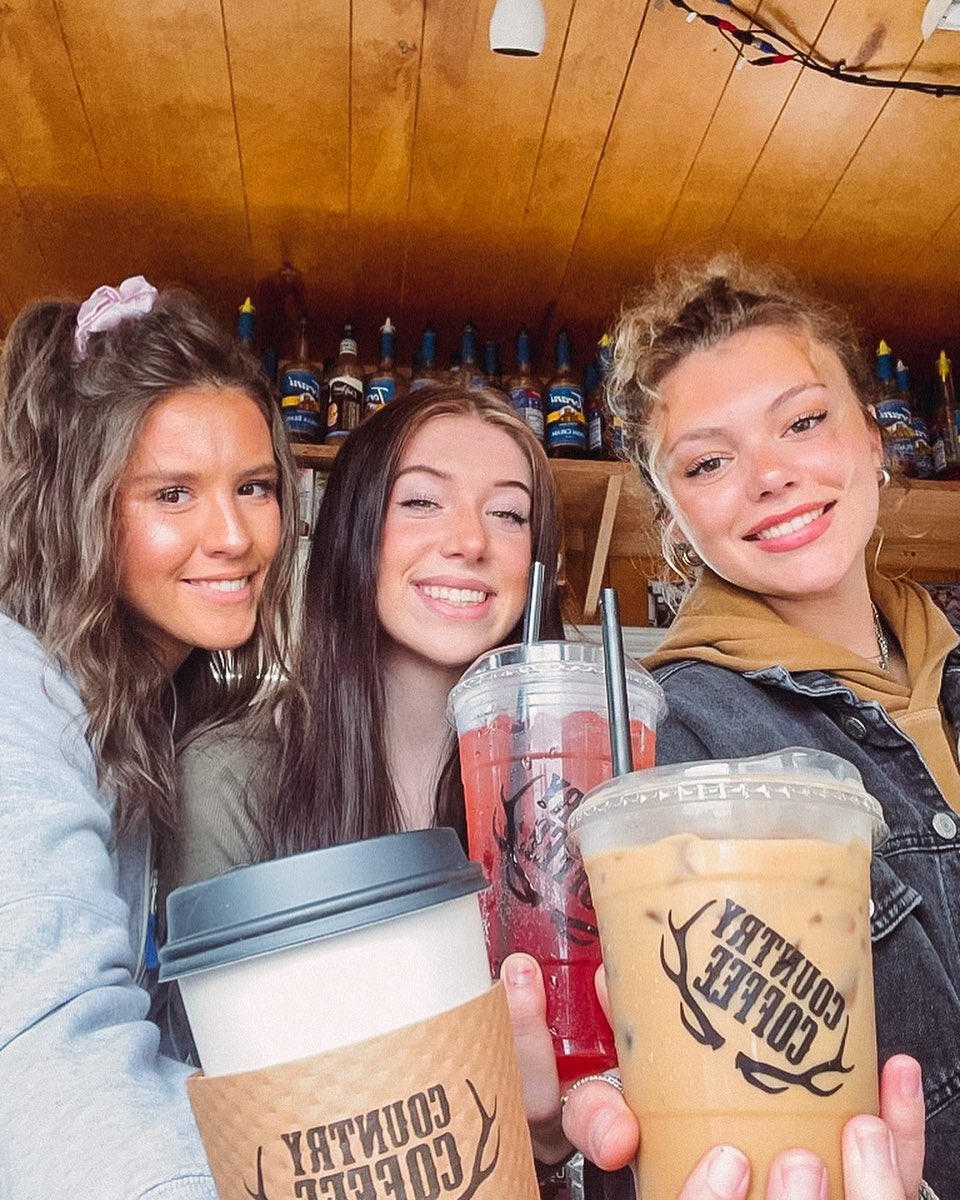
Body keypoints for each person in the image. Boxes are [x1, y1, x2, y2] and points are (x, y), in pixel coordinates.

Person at [535, 254, 948, 1200]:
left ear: (874, 436)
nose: (771, 476)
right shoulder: (677, 742)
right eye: (709, 462)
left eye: (803, 422)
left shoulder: (947, 664)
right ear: (673, 515)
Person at [0, 275, 300, 1200]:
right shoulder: (15, 688)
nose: (235, 535)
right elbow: (51, 1058)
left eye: (254, 488)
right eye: (174, 494)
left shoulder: (148, 716)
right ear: (80, 506)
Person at [167, 385, 565, 884]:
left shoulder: (578, 769)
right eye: (422, 501)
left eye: (507, 513)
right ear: (354, 528)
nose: (471, 541)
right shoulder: (231, 775)